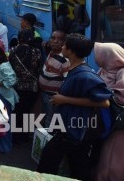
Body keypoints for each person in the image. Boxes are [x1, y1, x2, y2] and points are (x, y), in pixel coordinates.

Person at [37, 34, 112, 180]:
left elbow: (104, 102)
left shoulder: (85, 75)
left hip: (74, 130)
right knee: (78, 166)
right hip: (71, 129)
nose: (62, 47)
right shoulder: (74, 69)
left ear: (70, 51)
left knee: (48, 161)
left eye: (65, 45)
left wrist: (65, 99)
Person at [94, 42, 124, 180]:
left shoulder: (122, 72)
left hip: (116, 124)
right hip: (104, 118)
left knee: (115, 155)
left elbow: (121, 97)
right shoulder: (104, 70)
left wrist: (105, 95)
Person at [8, 29, 43, 143]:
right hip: (32, 87)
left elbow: (11, 67)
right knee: (27, 112)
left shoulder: (13, 50)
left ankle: (14, 137)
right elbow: (39, 69)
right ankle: (24, 136)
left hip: (17, 86)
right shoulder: (37, 52)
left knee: (16, 111)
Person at [38, 30, 69, 127]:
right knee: (44, 117)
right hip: (44, 94)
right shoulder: (51, 52)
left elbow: (66, 80)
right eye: (53, 38)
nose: (55, 41)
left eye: (59, 39)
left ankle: (47, 140)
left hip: (53, 97)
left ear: (64, 43)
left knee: (50, 122)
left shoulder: (65, 59)